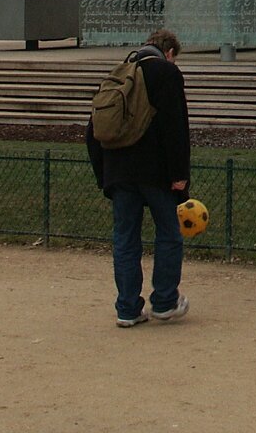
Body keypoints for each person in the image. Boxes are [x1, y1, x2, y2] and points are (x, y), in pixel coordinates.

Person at [84, 28, 191, 327]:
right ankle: (165, 301)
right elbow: (175, 127)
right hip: (155, 172)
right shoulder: (166, 73)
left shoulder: (119, 74)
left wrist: (104, 174)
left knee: (125, 238)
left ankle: (127, 308)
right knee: (168, 234)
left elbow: (94, 130)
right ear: (169, 53)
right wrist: (179, 175)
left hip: (118, 172)